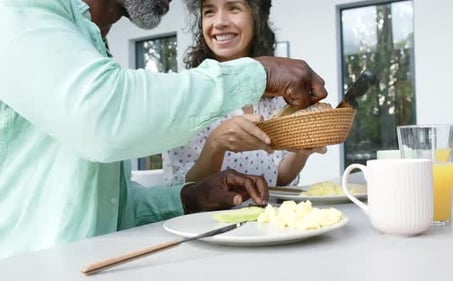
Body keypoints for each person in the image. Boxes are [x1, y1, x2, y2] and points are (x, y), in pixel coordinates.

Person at [0, 0, 328, 258]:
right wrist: (259, 72)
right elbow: (104, 121)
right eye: (209, 10)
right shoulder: (20, 7)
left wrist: (189, 198)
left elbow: (115, 208)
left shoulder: (95, 49)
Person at [162, 0, 326, 188]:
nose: (219, 22)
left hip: (267, 216)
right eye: (209, 11)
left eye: (233, 8)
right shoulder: (186, 95)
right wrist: (216, 144)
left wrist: (302, 151)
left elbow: (277, 179)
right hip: (207, 218)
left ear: (256, 18)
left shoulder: (279, 96)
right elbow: (178, 191)